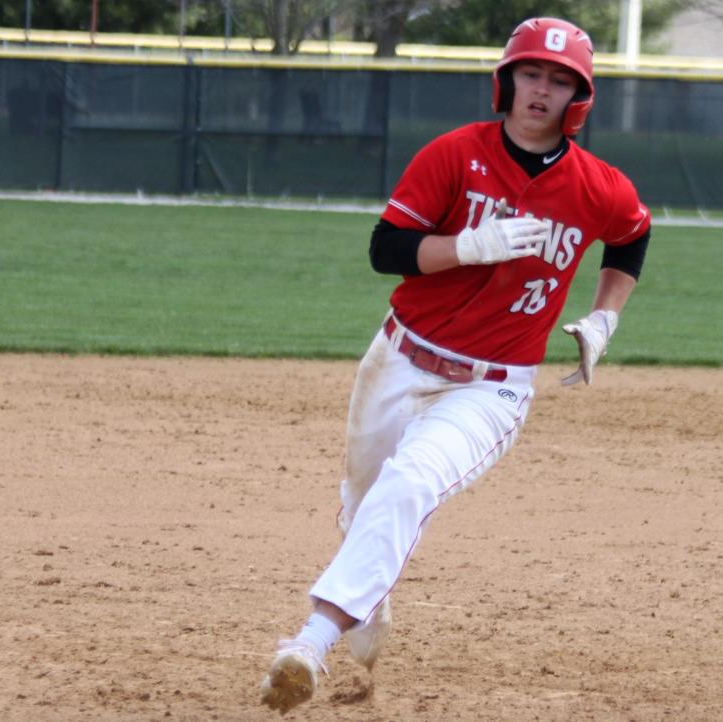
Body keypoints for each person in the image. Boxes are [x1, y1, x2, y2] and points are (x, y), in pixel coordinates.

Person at [259, 16, 651, 716]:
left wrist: (605, 317)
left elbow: (632, 236)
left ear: (577, 99)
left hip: (490, 389)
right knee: (363, 508)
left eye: (560, 81)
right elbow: (387, 249)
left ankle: (308, 644)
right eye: (532, 73)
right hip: (398, 359)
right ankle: (367, 602)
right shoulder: (454, 155)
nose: (542, 89)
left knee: (409, 484)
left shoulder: (598, 186)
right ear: (507, 80)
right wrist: (469, 247)